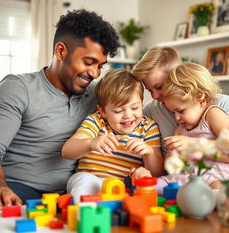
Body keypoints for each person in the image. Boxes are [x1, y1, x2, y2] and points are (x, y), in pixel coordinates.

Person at [0, 9, 120, 209]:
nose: (95, 74)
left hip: (72, 191)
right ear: (61, 51)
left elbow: (133, 104)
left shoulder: (98, 94)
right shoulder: (18, 88)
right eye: (88, 62)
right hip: (19, 188)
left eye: (100, 66)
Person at [61, 69, 164, 201]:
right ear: (103, 111)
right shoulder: (97, 121)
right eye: (118, 110)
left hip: (123, 188)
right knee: (85, 181)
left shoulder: (148, 127)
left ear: (142, 102)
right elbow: (67, 151)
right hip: (92, 181)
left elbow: (157, 173)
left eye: (134, 108)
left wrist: (149, 153)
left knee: (142, 193)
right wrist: (91, 143)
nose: (128, 115)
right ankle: (84, 217)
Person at [131, 46, 229, 155]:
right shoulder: (152, 109)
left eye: (159, 87)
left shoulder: (223, 104)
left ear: (178, 76)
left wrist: (193, 145)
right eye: (150, 90)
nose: (154, 96)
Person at [156, 62, 229, 193]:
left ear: (201, 100)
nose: (176, 118)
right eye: (173, 112)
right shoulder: (180, 129)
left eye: (180, 111)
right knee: (151, 186)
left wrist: (193, 144)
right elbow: (170, 166)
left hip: (215, 176)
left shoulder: (213, 114)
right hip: (187, 178)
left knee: (220, 192)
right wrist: (173, 154)